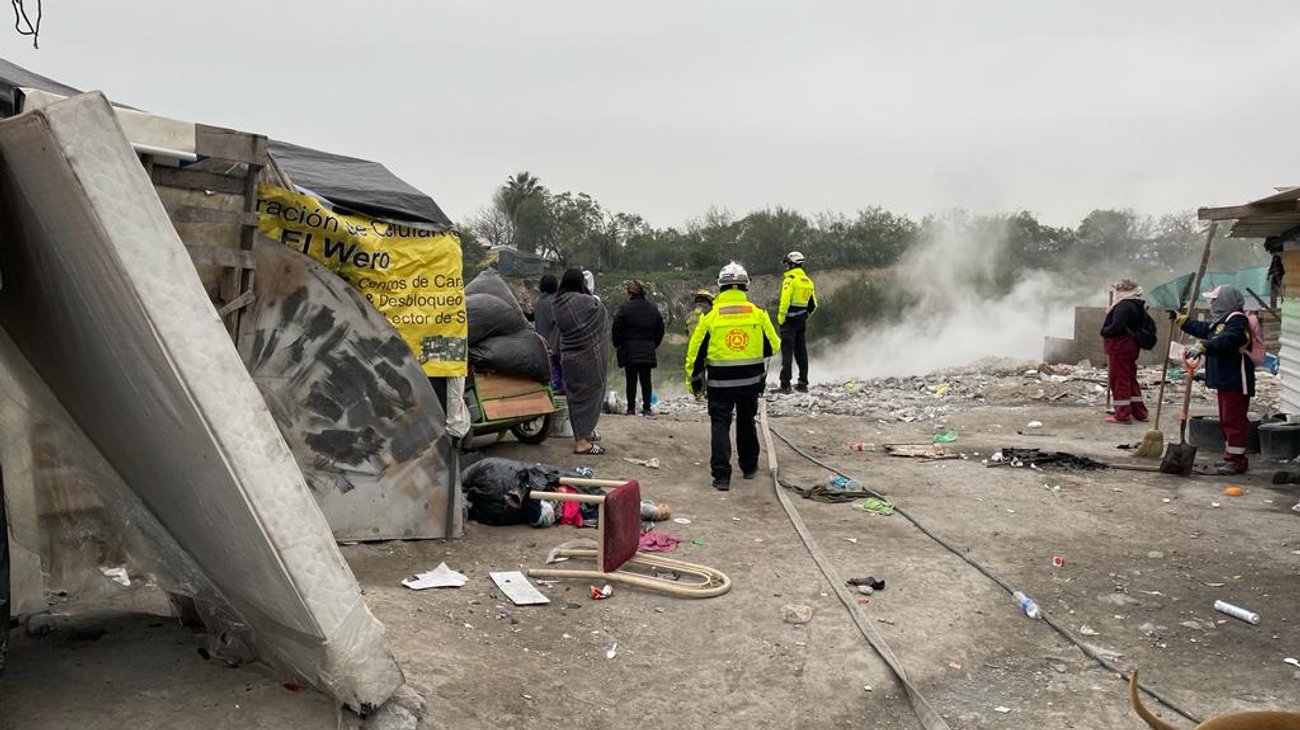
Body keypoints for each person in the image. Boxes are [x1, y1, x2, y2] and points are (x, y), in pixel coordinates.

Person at [685, 262, 781, 491]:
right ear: (745, 286)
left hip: (719, 385)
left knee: (720, 425)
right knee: (747, 421)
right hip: (750, 383)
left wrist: (694, 383)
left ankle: (721, 477)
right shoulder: (758, 314)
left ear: (721, 287)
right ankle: (749, 467)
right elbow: (774, 346)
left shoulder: (710, 317)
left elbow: (694, 354)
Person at [1175, 284, 1255, 475]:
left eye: (1213, 300)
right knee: (1227, 420)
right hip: (1225, 379)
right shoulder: (1224, 320)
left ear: (1224, 301)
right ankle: (1231, 458)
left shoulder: (1237, 321)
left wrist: (1204, 347)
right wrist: (1184, 321)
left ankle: (1236, 461)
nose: (1210, 303)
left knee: (1233, 420)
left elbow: (1226, 340)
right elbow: (1208, 330)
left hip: (1235, 379)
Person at [554, 268, 610, 455]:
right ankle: (581, 442)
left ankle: (585, 432)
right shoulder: (587, 301)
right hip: (588, 358)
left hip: (569, 358)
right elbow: (602, 315)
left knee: (576, 397)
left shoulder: (558, 302)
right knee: (591, 396)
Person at [611, 281, 665, 417]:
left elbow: (616, 329)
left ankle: (631, 409)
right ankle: (647, 408)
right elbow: (660, 329)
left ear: (630, 293)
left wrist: (618, 344)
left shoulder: (624, 309)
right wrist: (653, 344)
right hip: (647, 349)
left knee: (631, 380)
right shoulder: (652, 309)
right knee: (646, 380)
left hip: (629, 350)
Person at [1100, 278, 1150, 423]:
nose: (1116, 292)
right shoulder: (1136, 305)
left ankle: (1122, 414)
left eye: (1119, 289)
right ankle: (1140, 412)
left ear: (1125, 291)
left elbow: (1117, 326)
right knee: (1129, 379)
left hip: (1120, 347)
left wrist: (1104, 331)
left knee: (1119, 380)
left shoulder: (1123, 306)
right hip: (1130, 346)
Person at [776, 251, 817, 394]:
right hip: (801, 322)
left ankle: (785, 385)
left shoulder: (790, 280)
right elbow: (813, 305)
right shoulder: (808, 281)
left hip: (789, 322)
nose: (786, 266)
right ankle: (803, 383)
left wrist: (781, 318)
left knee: (787, 353)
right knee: (801, 352)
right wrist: (804, 316)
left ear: (792, 263)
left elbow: (784, 301)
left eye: (787, 263)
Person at [533, 274, 563, 394]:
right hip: (556, 343)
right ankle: (560, 387)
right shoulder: (557, 301)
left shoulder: (539, 302)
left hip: (541, 342)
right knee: (559, 367)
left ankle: (550, 387)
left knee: (549, 368)